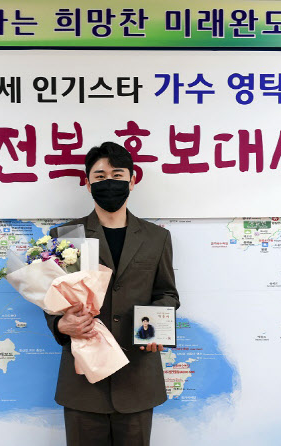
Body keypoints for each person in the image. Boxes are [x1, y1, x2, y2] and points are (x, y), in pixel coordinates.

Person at [44, 141, 180, 446]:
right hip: (83, 379)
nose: (109, 182)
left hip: (137, 377)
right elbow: (51, 299)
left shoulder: (157, 237)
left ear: (132, 180)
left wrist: (156, 327)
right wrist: (60, 325)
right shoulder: (66, 236)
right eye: (100, 176)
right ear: (87, 182)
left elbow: (167, 293)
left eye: (117, 175)